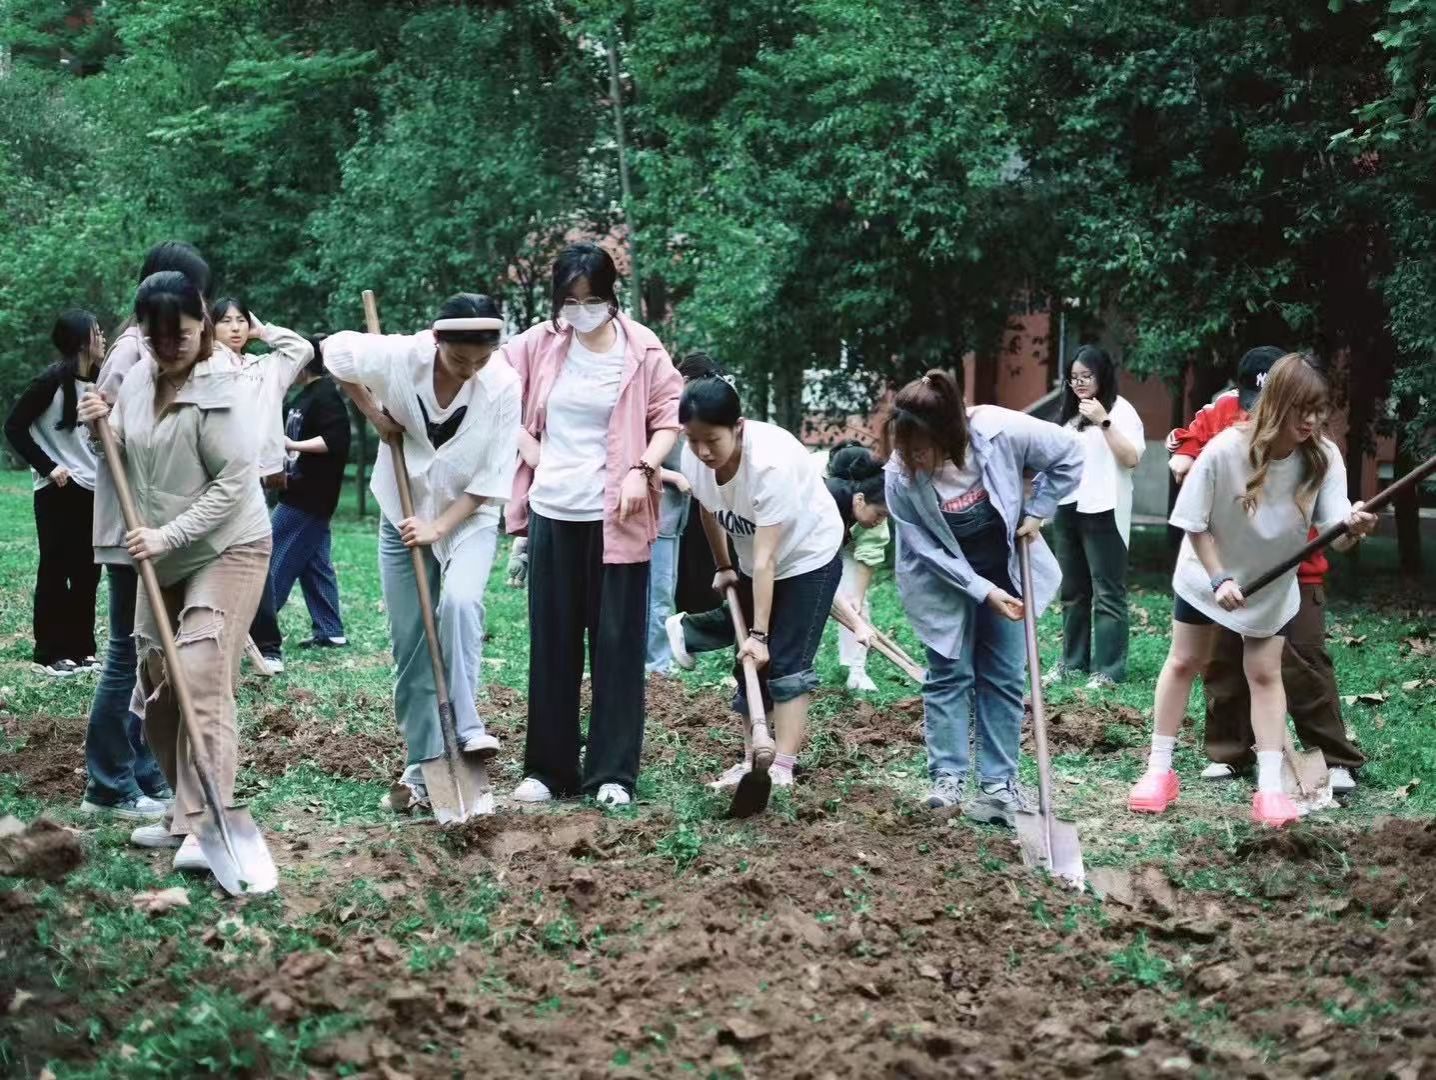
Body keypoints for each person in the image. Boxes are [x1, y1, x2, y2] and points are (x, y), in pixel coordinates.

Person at [76, 270, 273, 879]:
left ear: (202, 323)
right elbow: (128, 455)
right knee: (159, 685)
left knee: (202, 671)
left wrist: (167, 536)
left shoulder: (226, 387)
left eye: (181, 335)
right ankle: (183, 810)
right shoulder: (139, 378)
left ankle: (208, 820)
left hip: (228, 545)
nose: (169, 348)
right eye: (156, 337)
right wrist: (99, 425)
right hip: (162, 554)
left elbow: (233, 485)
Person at [1129, 354, 1377, 828]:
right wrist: (1219, 578)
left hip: (1270, 583)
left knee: (1264, 674)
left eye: (1318, 410)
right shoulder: (1225, 449)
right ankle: (1158, 772)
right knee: (1184, 661)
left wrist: (1354, 527)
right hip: (1207, 572)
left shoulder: (1323, 457)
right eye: (1301, 409)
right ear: (1275, 402)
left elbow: (1336, 535)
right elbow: (1194, 523)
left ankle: (1269, 789)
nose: (1311, 420)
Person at [325, 294, 520, 811]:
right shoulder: (398, 357)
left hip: (467, 516)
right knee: (411, 640)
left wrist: (439, 527)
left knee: (459, 603)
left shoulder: (503, 384)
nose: (470, 370)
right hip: (403, 510)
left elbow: (491, 478)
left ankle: (468, 727)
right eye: (459, 360)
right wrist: (373, 413)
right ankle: (422, 764)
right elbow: (333, 352)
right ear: (437, 341)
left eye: (481, 360)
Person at [505, 243, 682, 807]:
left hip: (618, 519)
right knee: (552, 645)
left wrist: (642, 469)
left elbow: (669, 417)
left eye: (591, 300)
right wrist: (531, 450)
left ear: (611, 297)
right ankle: (548, 768)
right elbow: (491, 393)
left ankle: (612, 773)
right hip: (553, 512)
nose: (580, 311)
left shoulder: (642, 348)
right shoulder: (537, 344)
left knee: (617, 647)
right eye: (570, 300)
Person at [883, 370, 1082, 823]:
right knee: (948, 674)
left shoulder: (1000, 430)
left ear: (949, 434)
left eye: (921, 449)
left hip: (1005, 565)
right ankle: (947, 780)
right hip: (941, 577)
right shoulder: (899, 473)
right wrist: (979, 590)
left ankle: (998, 785)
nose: (912, 459)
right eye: (905, 448)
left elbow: (1070, 453)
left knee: (1004, 675)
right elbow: (923, 547)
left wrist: (1040, 510)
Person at [663, 368, 845, 789]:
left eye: (713, 440)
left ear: (738, 427)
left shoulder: (769, 465)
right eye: (693, 439)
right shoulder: (694, 456)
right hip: (751, 560)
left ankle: (782, 766)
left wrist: (760, 635)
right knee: (746, 661)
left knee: (786, 662)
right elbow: (708, 509)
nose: (703, 451)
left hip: (808, 556)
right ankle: (751, 761)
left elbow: (767, 559)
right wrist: (723, 566)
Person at [82, 240, 209, 822]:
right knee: (125, 653)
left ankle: (144, 770)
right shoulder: (133, 350)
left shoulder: (165, 350)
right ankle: (107, 782)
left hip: (160, 527)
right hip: (130, 527)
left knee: (152, 654)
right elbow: (101, 441)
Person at [210, 297, 317, 673]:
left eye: (241, 320)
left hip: (256, 477)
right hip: (216, 475)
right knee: (216, 557)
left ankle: (268, 646)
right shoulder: (206, 366)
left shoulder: (266, 367)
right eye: (226, 321)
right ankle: (214, 639)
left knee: (256, 557)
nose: (235, 327)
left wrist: (264, 330)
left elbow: (303, 349)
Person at [5, 310, 106, 678]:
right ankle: (49, 652)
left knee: (88, 573)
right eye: (97, 331)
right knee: (56, 569)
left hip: (94, 488)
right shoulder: (50, 382)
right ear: (81, 341)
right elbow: (14, 427)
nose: (103, 337)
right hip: (58, 489)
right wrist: (49, 467)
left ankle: (83, 649)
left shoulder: (100, 381)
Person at [1048, 345, 1145, 690]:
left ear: (1101, 375)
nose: (1079, 383)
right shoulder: (1069, 414)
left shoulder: (1121, 410)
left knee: (1107, 593)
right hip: (1068, 508)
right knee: (1073, 592)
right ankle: (1073, 663)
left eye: (1086, 376)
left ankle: (1108, 670)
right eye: (1073, 378)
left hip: (1105, 509)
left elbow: (1131, 458)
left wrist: (1104, 420)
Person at [266, 335, 350, 651]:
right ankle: (330, 630)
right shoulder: (304, 396)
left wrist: (293, 445)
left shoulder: (326, 395)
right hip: (299, 489)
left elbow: (335, 441)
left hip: (310, 495)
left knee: (275, 556)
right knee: (315, 565)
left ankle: (257, 627)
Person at [823, 441, 891, 692]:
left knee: (854, 600)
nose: (882, 519)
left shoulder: (876, 501)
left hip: (852, 535)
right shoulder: (819, 487)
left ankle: (857, 671)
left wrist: (856, 600)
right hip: (813, 535)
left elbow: (869, 553)